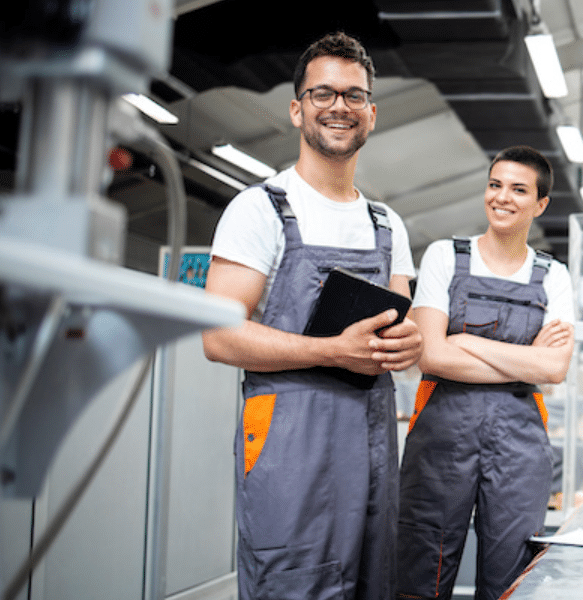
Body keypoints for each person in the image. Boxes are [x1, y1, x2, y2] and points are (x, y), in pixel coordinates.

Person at [200, 31, 422, 600]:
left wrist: (409, 347)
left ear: (371, 113)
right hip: (288, 440)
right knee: (293, 585)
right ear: (297, 109)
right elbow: (219, 336)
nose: (339, 107)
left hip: (371, 441)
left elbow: (400, 327)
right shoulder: (260, 210)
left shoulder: (386, 223)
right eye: (322, 94)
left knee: (373, 584)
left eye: (353, 96)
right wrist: (328, 351)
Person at [395, 146, 575, 600]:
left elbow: (554, 366)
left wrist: (468, 343)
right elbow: (432, 357)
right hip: (440, 441)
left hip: (518, 448)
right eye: (495, 185)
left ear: (540, 204)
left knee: (510, 579)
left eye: (519, 189)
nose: (502, 198)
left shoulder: (554, 276)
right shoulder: (444, 256)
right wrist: (521, 362)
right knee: (421, 572)